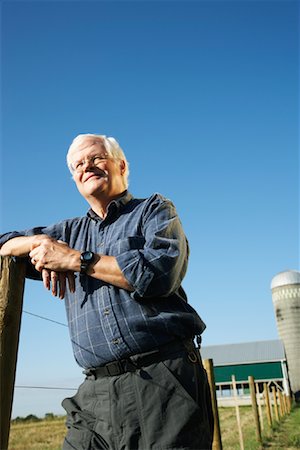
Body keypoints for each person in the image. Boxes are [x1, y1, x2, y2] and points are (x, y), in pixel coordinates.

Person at [0, 134, 213, 449]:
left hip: (164, 379)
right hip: (95, 392)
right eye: (78, 164)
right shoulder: (67, 233)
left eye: (96, 158)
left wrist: (75, 260)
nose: (87, 166)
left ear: (121, 165)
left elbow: (158, 274)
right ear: (74, 178)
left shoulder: (154, 210)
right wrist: (40, 244)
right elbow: (4, 244)